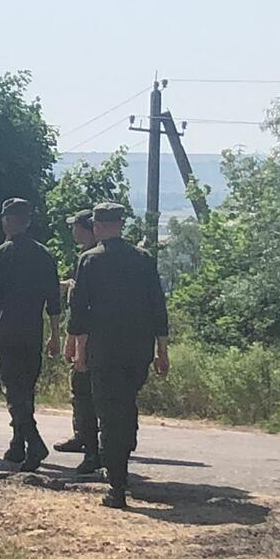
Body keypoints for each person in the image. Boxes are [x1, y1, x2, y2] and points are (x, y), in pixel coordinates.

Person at [69, 202, 170, 509]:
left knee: (109, 413)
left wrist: (79, 350)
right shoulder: (143, 259)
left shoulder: (89, 260)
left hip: (104, 349)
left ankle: (116, 484)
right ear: (121, 224)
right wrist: (161, 351)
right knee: (126, 405)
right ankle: (124, 452)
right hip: (138, 350)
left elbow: (80, 311)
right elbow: (157, 306)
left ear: (98, 226)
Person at [0, 198, 61, 472]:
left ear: (6, 221)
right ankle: (18, 445)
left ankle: (34, 443)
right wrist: (55, 335)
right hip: (34, 330)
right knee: (26, 388)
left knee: (14, 390)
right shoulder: (44, 256)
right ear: (27, 222)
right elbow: (54, 300)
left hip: (8, 328)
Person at [54, 209, 102, 474]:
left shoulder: (90, 257)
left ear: (88, 229)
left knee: (83, 389)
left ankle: (91, 444)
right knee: (81, 390)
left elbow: (82, 302)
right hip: (92, 332)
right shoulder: (88, 256)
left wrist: (73, 339)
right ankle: (82, 435)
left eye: (76, 226)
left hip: (87, 334)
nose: (72, 230)